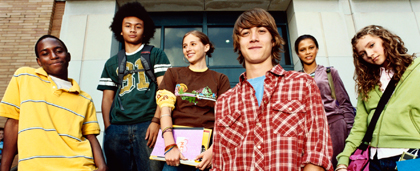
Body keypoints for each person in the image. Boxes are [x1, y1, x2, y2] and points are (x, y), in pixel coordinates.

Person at [211, 8, 333, 171]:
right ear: (238, 43)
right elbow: (219, 165)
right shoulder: (223, 102)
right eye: (246, 33)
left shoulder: (302, 84)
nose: (253, 38)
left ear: (273, 40)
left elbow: (317, 152)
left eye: (261, 31)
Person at [0, 35, 106, 171]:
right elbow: (14, 124)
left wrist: (102, 165)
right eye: (45, 53)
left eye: (58, 51)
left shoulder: (84, 98)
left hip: (79, 166)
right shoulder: (24, 77)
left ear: (68, 56)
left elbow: (90, 136)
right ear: (39, 61)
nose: (53, 56)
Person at [97, 2, 170, 171]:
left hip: (147, 125)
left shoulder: (156, 54)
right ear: (120, 30)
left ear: (145, 31)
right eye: (128, 26)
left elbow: (165, 91)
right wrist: (109, 129)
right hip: (117, 129)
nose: (132, 30)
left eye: (138, 26)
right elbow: (107, 98)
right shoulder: (112, 62)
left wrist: (156, 121)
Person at [336, 25, 420, 171]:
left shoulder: (416, 70)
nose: (369, 54)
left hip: (411, 153)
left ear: (384, 40)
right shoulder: (368, 85)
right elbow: (359, 127)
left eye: (372, 45)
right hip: (375, 159)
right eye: (362, 53)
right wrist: (343, 160)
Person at [156, 30, 231, 171]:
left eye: (193, 44)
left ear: (206, 47)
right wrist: (169, 145)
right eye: (184, 46)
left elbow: (225, 119)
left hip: (208, 148)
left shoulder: (220, 79)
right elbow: (164, 111)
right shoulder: (173, 74)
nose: (188, 49)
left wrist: (214, 149)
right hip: (177, 147)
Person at [294, 34, 355, 168]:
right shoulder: (295, 78)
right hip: (310, 130)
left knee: (339, 165)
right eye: (303, 49)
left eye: (311, 47)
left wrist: (350, 132)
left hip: (335, 125)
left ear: (317, 49)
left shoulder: (330, 72)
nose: (308, 52)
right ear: (297, 53)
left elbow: (345, 102)